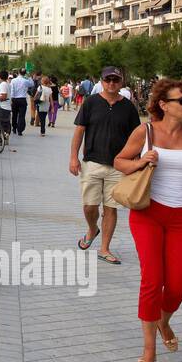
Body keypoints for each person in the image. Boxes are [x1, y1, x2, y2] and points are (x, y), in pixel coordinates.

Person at [115, 79, 182, 362]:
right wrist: (141, 162)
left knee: (177, 286)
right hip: (148, 213)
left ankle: (164, 320)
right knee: (152, 279)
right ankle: (149, 348)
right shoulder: (145, 132)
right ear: (164, 105)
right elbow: (119, 160)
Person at [69, 66, 139, 266]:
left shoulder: (128, 107)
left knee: (111, 208)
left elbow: (136, 136)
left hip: (118, 166)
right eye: (108, 80)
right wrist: (73, 157)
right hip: (92, 162)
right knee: (90, 206)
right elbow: (79, 131)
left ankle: (105, 248)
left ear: (121, 82)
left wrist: (134, 159)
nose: (111, 84)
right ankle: (92, 229)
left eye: (115, 80)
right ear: (102, 81)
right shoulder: (91, 102)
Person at [9, 70, 30, 137]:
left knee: (14, 114)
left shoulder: (13, 80)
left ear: (18, 73)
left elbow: (12, 90)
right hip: (22, 99)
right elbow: (32, 84)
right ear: (24, 73)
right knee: (21, 115)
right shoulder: (25, 81)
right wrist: (29, 77)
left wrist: (11, 99)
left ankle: (14, 128)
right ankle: (20, 130)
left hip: (15, 99)